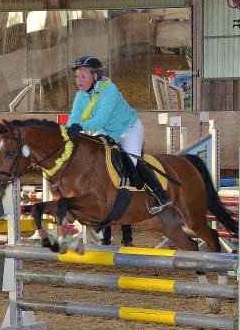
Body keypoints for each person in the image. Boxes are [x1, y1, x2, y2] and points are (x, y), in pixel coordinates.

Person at [65, 55, 171, 215]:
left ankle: (161, 195)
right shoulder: (80, 95)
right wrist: (67, 130)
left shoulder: (109, 89)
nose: (79, 80)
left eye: (83, 76)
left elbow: (101, 118)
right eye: (77, 77)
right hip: (107, 131)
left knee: (131, 160)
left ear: (95, 76)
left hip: (129, 129)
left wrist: (79, 126)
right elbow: (74, 118)